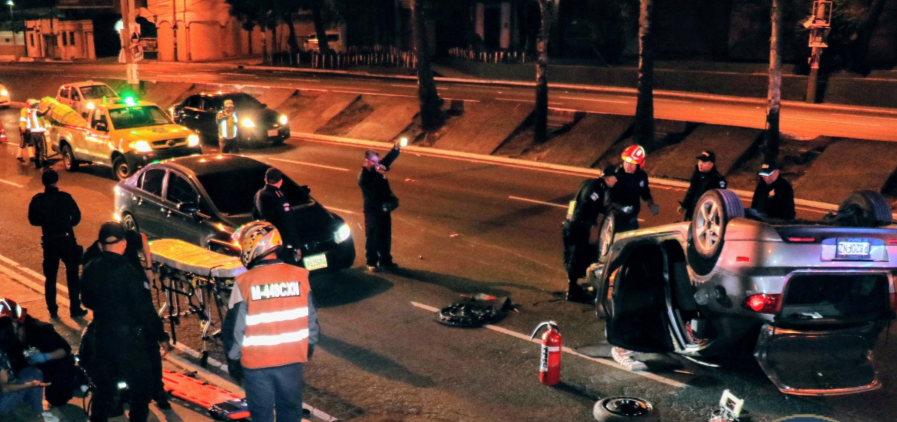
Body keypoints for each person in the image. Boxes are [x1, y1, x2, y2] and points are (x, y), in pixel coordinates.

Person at [224, 221, 319, 422]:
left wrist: (233, 359)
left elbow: (235, 329)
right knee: (291, 415)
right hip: (292, 362)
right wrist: (308, 346)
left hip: (257, 366)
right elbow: (311, 319)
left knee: (262, 416)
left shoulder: (244, 282)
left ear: (253, 247)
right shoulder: (300, 276)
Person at [80, 222, 171, 422]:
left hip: (102, 336)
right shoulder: (128, 271)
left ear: (101, 245)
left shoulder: (90, 267)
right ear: (122, 243)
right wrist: (161, 336)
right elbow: (144, 309)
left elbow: (85, 300)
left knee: (104, 392)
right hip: (130, 341)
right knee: (141, 392)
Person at [28, 169, 87, 319]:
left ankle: (52, 309)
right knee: (72, 275)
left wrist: (46, 222)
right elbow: (77, 216)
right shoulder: (65, 198)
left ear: (43, 182)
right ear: (57, 181)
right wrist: (67, 224)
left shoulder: (38, 200)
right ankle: (75, 308)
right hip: (67, 239)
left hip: (49, 241)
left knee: (51, 276)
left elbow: (33, 220)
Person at [1, 298, 76, 408]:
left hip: (49, 366)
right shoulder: (5, 336)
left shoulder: (40, 330)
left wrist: (47, 356)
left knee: (58, 397)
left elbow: (65, 349)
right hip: (23, 369)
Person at [562, 165, 618, 302]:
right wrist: (590, 220)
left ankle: (573, 286)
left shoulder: (588, 182)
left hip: (569, 223)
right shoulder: (597, 190)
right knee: (577, 255)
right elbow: (587, 204)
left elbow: (578, 201)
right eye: (614, 178)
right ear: (608, 178)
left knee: (572, 255)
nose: (616, 181)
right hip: (578, 226)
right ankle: (572, 291)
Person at [358, 143, 401, 272]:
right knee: (372, 236)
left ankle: (385, 260)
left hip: (384, 208)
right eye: (375, 162)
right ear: (367, 161)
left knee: (385, 235)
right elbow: (372, 190)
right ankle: (371, 262)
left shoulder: (377, 168)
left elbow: (387, 161)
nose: (378, 164)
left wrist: (396, 150)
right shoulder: (364, 177)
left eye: (378, 161)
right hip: (372, 210)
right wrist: (379, 174)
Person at [0, 317, 50, 419]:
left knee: (30, 372)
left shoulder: (7, 347)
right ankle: (38, 413)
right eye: (16, 328)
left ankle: (34, 411)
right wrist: (29, 385)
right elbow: (4, 387)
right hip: (2, 402)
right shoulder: (1, 354)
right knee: (34, 374)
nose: (19, 329)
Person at [252, 168, 301, 265]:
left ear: (265, 180)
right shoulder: (279, 196)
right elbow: (287, 221)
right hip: (281, 240)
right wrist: (296, 245)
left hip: (267, 241)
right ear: (281, 181)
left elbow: (255, 216)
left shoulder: (258, 194)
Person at [611, 145, 660, 231]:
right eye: (626, 162)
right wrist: (622, 208)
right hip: (615, 216)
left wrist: (652, 205)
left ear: (639, 165)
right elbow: (608, 199)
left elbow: (645, 192)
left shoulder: (642, 176)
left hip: (632, 214)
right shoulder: (615, 176)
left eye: (632, 164)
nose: (627, 166)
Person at [677, 150, 728, 221]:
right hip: (692, 210)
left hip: (705, 214)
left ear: (711, 164)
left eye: (704, 162)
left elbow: (719, 199)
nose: (700, 164)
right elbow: (691, 190)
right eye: (700, 161)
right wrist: (684, 205)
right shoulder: (697, 174)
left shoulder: (717, 179)